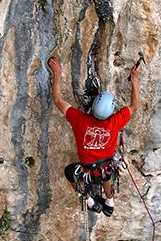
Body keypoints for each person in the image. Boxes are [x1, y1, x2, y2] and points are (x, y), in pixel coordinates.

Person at [48, 54, 141, 216]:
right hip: (105, 170)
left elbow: (57, 100)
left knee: (70, 172)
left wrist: (57, 74)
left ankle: (90, 201)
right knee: (107, 172)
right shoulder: (115, 122)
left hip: (87, 171)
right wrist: (134, 79)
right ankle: (109, 203)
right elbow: (135, 106)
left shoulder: (79, 120)